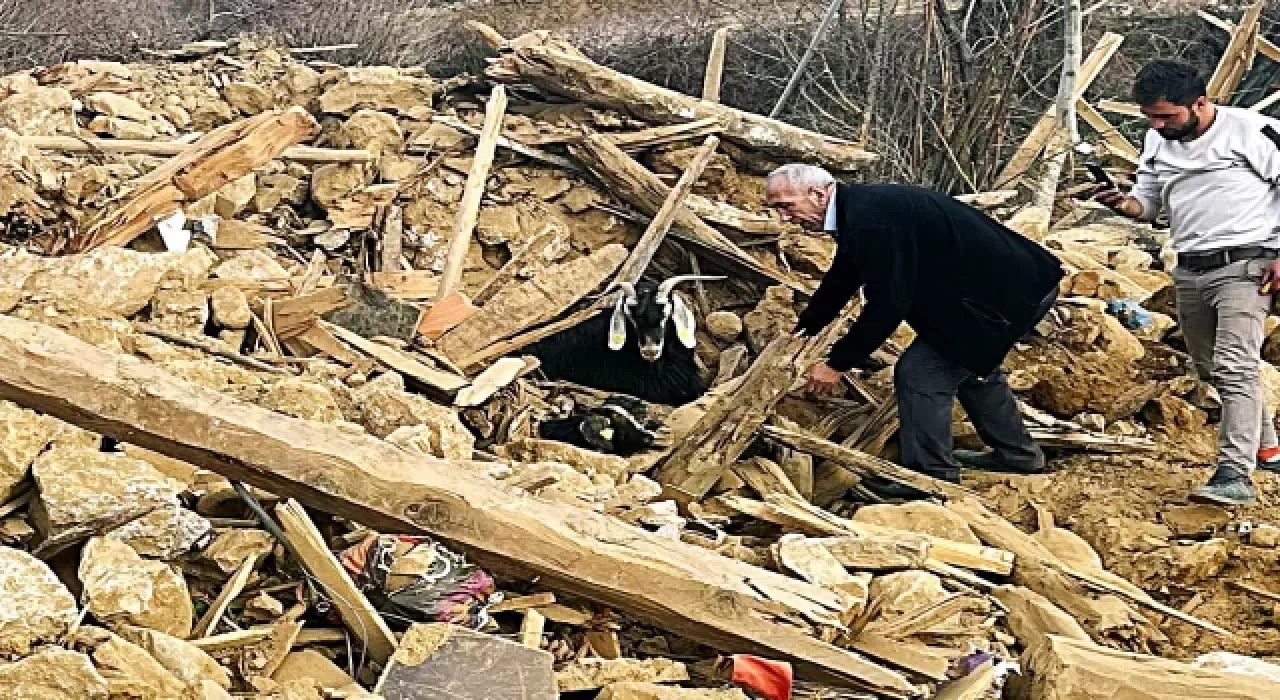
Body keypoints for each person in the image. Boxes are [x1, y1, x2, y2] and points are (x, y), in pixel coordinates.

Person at [765, 164, 1064, 498]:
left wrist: (838, 364)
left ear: (818, 195)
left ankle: (931, 479)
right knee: (969, 365)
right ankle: (1019, 456)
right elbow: (845, 275)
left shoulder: (870, 219)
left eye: (786, 206)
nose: (784, 218)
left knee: (921, 373)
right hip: (1009, 285)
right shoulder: (857, 210)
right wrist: (806, 328)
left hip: (1009, 294)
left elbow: (888, 304)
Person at [1093, 60, 1280, 506]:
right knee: (1211, 366)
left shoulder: (1252, 132)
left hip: (1247, 264)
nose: (1158, 126)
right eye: (1150, 117)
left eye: (1166, 116)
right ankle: (1269, 450)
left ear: (1199, 103)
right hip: (1190, 267)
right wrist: (1123, 204)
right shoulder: (1157, 142)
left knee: (1236, 365)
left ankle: (1234, 475)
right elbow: (1148, 205)